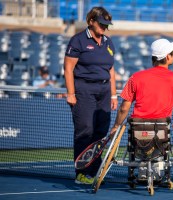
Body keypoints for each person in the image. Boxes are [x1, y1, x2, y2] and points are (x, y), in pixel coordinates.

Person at [64, 6, 118, 185]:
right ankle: (81, 172)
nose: (104, 27)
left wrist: (113, 95)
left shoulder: (109, 42)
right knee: (85, 131)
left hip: (104, 92)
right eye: (101, 23)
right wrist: (71, 94)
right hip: (84, 90)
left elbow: (111, 70)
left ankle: (94, 172)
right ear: (91, 21)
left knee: (101, 133)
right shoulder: (77, 41)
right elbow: (69, 68)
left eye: (106, 24)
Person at [109, 38, 173, 134]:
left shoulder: (136, 77)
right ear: (167, 57)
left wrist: (116, 127)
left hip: (137, 133)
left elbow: (124, 108)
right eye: (172, 53)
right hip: (161, 134)